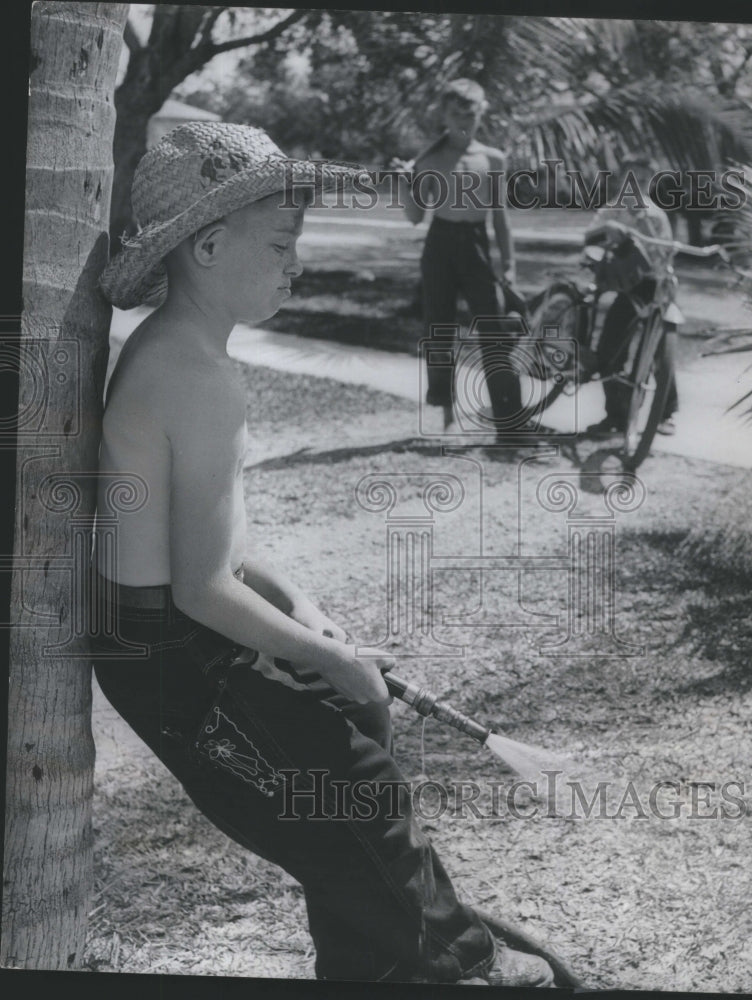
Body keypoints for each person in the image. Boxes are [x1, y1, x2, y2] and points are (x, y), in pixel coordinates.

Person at [91, 122, 554, 988]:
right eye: (281, 243)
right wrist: (331, 658)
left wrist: (299, 606)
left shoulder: (182, 354)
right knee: (355, 792)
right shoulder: (193, 379)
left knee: (339, 778)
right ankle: (464, 965)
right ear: (210, 244)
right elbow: (198, 587)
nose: (295, 263)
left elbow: (224, 552)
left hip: (169, 640)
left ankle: (367, 968)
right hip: (170, 658)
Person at [393, 78, 527, 441]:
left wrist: (509, 264)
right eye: (456, 113)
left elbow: (500, 216)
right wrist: (407, 184)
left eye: (471, 113)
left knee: (494, 331)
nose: (464, 120)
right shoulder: (431, 159)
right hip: (440, 245)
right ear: (444, 115)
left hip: (477, 244)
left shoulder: (493, 159)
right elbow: (415, 217)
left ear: (481, 113)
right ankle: (448, 414)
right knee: (439, 330)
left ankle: (509, 422)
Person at [584, 158, 679, 437]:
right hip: (625, 285)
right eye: (631, 178)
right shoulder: (612, 208)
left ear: (651, 183)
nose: (636, 185)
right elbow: (590, 236)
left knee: (660, 349)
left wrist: (641, 225)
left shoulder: (655, 214)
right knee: (611, 347)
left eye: (643, 180)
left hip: (653, 284)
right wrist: (608, 233)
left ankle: (665, 412)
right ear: (621, 180)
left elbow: (662, 255)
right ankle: (616, 415)